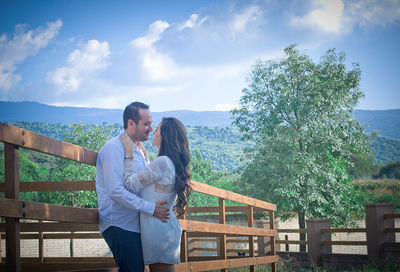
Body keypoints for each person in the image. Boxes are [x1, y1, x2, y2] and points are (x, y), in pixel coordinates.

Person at [96, 102, 170, 272]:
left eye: (151, 124)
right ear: (131, 124)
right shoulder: (114, 148)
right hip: (119, 224)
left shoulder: (139, 151)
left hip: (137, 224)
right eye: (146, 124)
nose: (150, 129)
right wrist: (151, 208)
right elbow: (115, 191)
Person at [119, 117, 191, 272]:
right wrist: (144, 157)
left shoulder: (163, 162)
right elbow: (153, 187)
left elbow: (130, 183)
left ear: (165, 135)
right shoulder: (168, 162)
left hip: (157, 230)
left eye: (157, 129)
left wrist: (129, 153)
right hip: (162, 228)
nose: (153, 131)